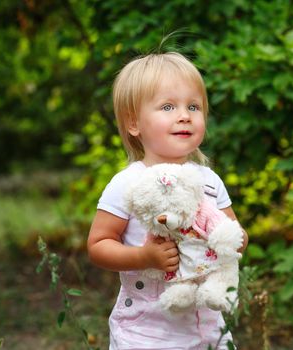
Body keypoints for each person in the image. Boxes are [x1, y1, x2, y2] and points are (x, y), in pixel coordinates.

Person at [87, 51, 248, 350]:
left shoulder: (209, 182)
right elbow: (98, 245)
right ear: (134, 123)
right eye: (168, 106)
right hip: (147, 332)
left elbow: (235, 235)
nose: (184, 115)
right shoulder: (127, 183)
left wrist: (232, 240)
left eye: (194, 106)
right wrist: (144, 257)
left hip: (208, 327)